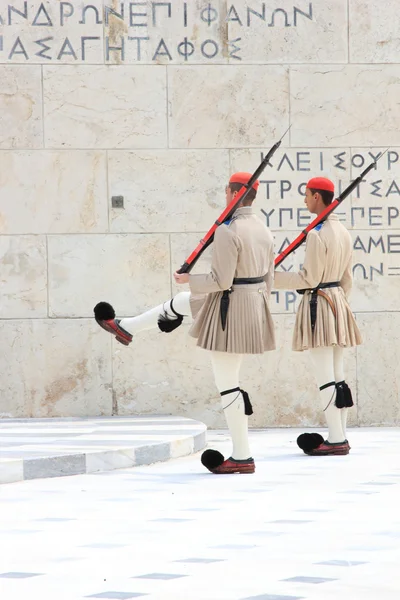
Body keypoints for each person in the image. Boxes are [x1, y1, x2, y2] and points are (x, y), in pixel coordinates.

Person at [94, 172, 276, 474]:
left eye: (225, 191)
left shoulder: (228, 231)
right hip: (253, 305)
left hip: (231, 307)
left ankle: (242, 457)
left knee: (228, 384)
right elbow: (266, 281)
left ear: (232, 194)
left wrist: (189, 278)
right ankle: (128, 327)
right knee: (182, 301)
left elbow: (220, 280)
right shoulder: (263, 229)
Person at [274, 177, 362, 456]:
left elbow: (308, 277)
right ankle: (341, 434)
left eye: (307, 195)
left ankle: (336, 439)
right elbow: (347, 279)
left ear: (316, 197)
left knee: (326, 376)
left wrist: (271, 278)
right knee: (338, 375)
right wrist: (338, 303)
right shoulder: (343, 231)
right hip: (337, 302)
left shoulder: (316, 233)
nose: (304, 200)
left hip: (319, 303)